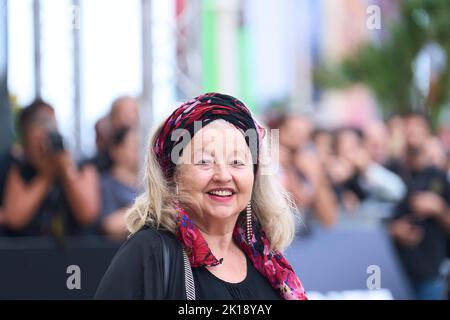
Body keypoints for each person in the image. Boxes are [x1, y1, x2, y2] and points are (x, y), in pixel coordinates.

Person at [95, 93, 307, 300]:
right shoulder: (149, 253)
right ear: (173, 174)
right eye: (204, 161)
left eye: (237, 162)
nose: (223, 176)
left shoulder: (267, 260)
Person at [1, 99, 100, 237]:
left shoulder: (82, 167)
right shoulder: (17, 168)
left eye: (51, 124)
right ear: (25, 138)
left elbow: (88, 214)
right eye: (38, 125)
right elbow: (14, 218)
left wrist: (65, 168)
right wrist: (45, 176)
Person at [387, 112, 450, 300]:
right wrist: (393, 230)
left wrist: (439, 209)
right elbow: (370, 218)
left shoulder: (439, 177)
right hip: (387, 272)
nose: (411, 131)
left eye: (417, 126)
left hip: (429, 273)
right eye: (407, 126)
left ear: (427, 132)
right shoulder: (388, 173)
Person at [99, 127, 139, 241]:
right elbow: (110, 225)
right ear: (115, 150)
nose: (140, 151)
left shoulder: (147, 183)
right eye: (134, 147)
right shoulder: (106, 185)